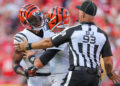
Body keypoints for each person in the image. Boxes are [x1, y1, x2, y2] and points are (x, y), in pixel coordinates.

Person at [14, 1, 120, 86]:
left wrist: (29, 48)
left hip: (71, 76)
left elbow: (44, 52)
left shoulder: (71, 32)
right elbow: (109, 62)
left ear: (82, 14)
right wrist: (110, 74)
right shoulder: (102, 34)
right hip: (95, 77)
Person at [25, 7, 70, 86]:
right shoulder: (69, 32)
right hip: (71, 75)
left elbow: (39, 63)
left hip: (62, 78)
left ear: (55, 20)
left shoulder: (60, 37)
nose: (46, 21)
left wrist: (30, 56)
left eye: (49, 19)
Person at [13, 4, 52, 86]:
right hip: (36, 79)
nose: (38, 21)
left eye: (38, 17)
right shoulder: (22, 37)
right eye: (33, 19)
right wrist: (25, 73)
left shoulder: (50, 28)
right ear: (25, 22)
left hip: (55, 75)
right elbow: (15, 63)